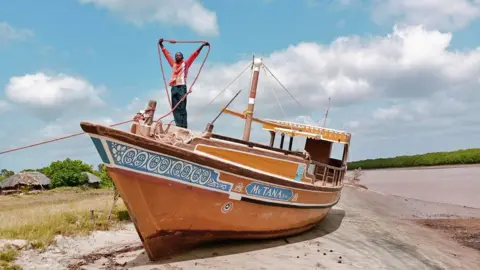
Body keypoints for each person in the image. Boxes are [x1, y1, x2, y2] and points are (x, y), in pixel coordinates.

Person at [158, 38, 209, 129]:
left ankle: (183, 126)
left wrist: (202, 46)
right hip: (174, 87)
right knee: (175, 107)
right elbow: (167, 54)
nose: (177, 56)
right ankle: (178, 125)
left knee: (182, 107)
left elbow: (194, 55)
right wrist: (161, 44)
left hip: (182, 87)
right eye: (176, 55)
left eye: (179, 55)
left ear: (182, 57)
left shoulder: (186, 64)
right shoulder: (173, 64)